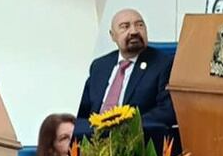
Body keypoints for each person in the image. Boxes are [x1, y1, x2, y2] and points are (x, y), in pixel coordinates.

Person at [74, 8, 176, 140]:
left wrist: (127, 125)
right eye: (125, 27)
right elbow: (81, 109)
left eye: (139, 25)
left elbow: (167, 111)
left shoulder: (163, 63)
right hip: (94, 139)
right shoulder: (100, 66)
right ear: (112, 35)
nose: (134, 31)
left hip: (135, 140)